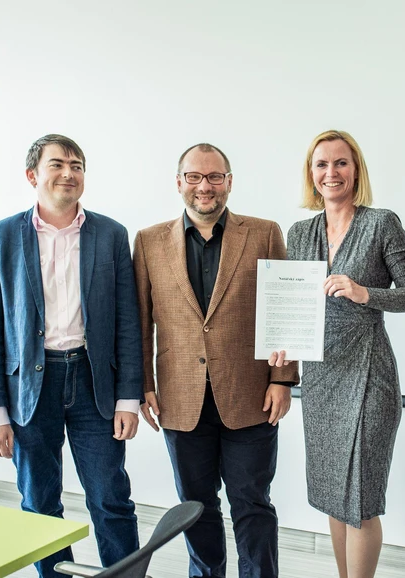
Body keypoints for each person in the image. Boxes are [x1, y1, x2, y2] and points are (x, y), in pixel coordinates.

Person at [0, 134, 142, 578]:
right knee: (39, 502)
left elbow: (128, 322)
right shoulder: (1, 237)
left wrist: (129, 399)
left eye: (77, 165)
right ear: (33, 175)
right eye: (57, 164)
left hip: (93, 383)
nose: (69, 172)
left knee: (110, 498)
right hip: (30, 387)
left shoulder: (110, 234)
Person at [133, 143, 299, 578]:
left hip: (250, 397)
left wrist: (283, 379)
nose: (204, 186)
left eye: (214, 177)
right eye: (194, 177)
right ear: (179, 182)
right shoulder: (148, 241)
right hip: (179, 399)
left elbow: (281, 308)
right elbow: (140, 320)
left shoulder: (263, 233)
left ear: (228, 182)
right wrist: (142, 385)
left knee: (252, 504)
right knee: (196, 508)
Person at [270, 130, 405, 578]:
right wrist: (280, 340)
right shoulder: (300, 232)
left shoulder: (381, 223)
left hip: (367, 373)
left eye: (341, 163)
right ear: (311, 173)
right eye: (322, 164)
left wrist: (364, 293)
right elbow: (291, 302)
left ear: (356, 170)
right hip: (319, 379)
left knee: (358, 499)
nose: (331, 172)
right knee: (333, 496)